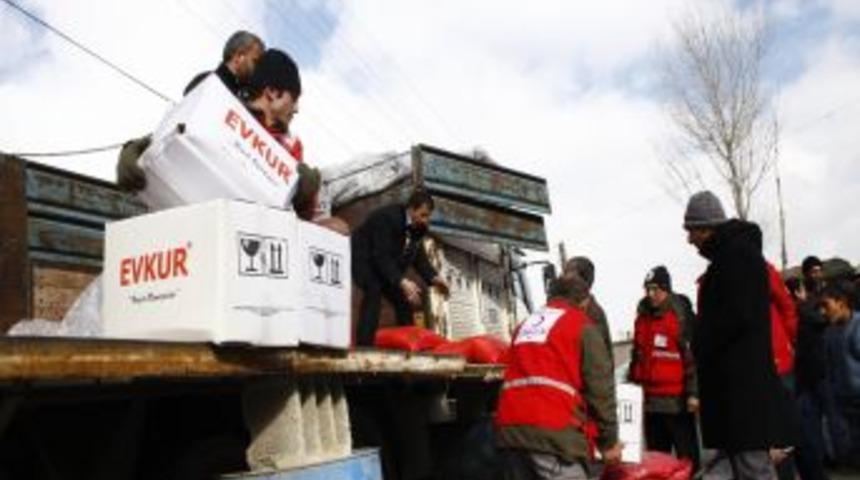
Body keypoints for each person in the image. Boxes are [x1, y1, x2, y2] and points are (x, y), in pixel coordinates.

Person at [683, 190, 790, 480]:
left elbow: (737, 316)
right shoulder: (733, 257)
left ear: (704, 228)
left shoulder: (737, 257)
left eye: (691, 231)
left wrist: (701, 340)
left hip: (742, 393)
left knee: (753, 468)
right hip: (735, 392)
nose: (689, 240)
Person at [495, 271, 622, 480]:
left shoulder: (524, 325)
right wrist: (609, 443)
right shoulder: (581, 325)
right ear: (584, 302)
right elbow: (600, 389)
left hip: (510, 432)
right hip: (552, 433)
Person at [351, 190, 450, 346]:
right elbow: (381, 256)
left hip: (386, 264)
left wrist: (435, 278)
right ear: (411, 209)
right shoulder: (386, 218)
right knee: (373, 289)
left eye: (428, 216)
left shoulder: (418, 228)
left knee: (404, 300)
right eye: (423, 215)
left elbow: (419, 258)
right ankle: (364, 345)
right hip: (364, 259)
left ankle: (409, 343)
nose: (426, 220)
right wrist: (402, 281)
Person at [628, 266, 700, 470]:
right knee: (658, 463)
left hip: (676, 403)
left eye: (655, 289)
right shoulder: (642, 318)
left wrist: (693, 393)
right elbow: (636, 356)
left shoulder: (679, 315)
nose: (651, 294)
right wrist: (633, 389)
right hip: (650, 403)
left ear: (666, 289)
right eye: (647, 289)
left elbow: (691, 358)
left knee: (687, 461)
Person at [820, 281, 860, 464]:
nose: (823, 311)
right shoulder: (829, 333)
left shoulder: (857, 326)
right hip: (844, 404)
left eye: (826, 305)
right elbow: (829, 367)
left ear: (842, 302)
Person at [183, 30, 264, 97]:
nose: (257, 68)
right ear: (239, 56)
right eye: (255, 61)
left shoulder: (241, 95)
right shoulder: (207, 81)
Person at [563, 256, 613, 363]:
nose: (563, 278)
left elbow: (598, 361)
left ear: (583, 281)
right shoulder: (565, 307)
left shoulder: (593, 315)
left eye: (568, 273)